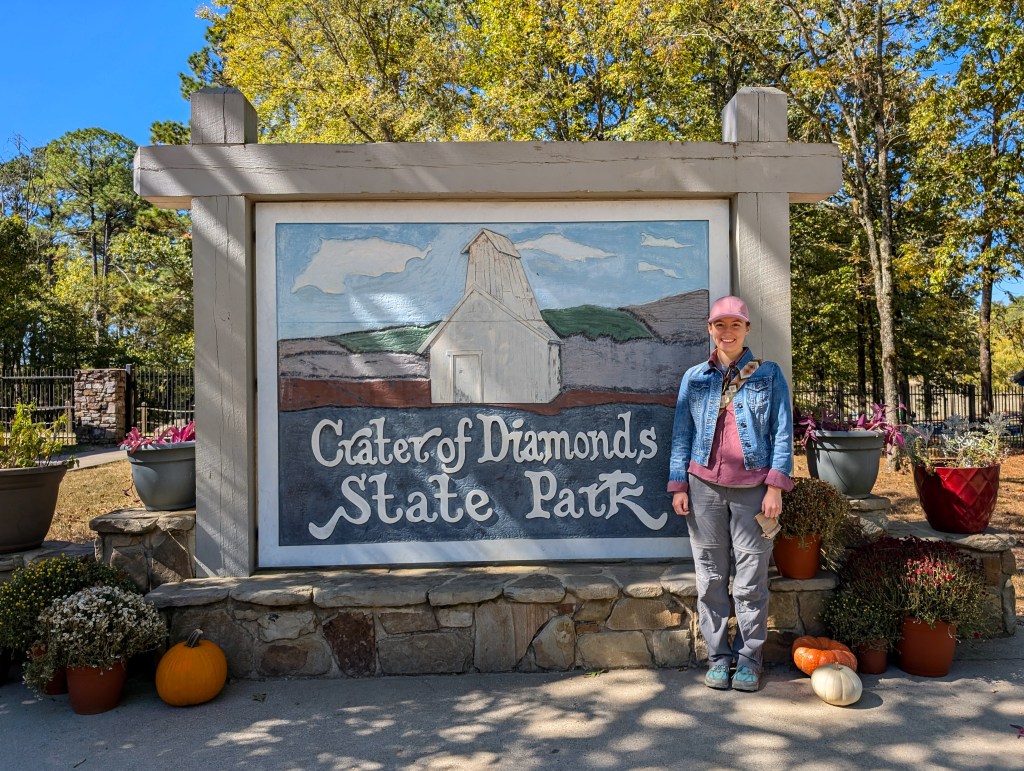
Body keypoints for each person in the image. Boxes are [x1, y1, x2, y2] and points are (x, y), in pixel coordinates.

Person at [667, 295, 793, 692]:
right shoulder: (694, 378)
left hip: (753, 490)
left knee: (751, 580)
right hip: (702, 489)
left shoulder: (768, 375)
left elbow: (783, 432)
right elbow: (682, 435)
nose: (727, 332)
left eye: (735, 324)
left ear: (747, 329)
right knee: (711, 577)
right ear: (710, 329)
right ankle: (718, 656)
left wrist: (775, 486)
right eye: (720, 325)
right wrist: (678, 484)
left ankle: (749, 660)